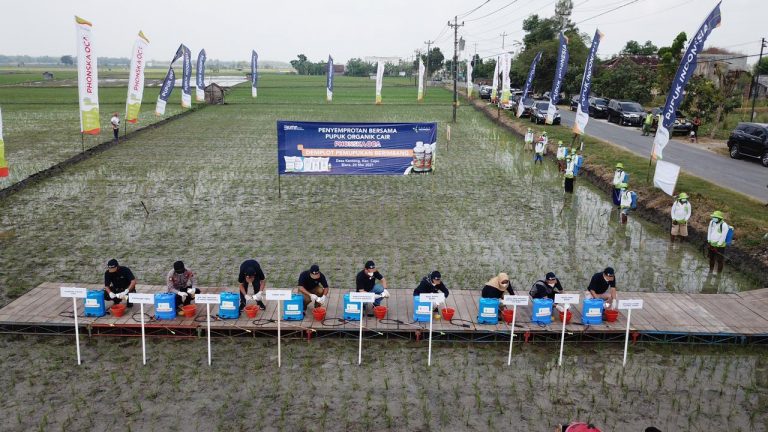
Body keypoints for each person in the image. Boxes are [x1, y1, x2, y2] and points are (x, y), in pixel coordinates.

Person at [707, 210, 730, 275]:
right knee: (711, 258)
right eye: (713, 217)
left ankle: (718, 274)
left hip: (720, 246)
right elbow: (709, 231)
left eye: (715, 217)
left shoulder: (724, 225)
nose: (714, 218)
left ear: (719, 218)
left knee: (719, 260)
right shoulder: (711, 222)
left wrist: (717, 246)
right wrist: (709, 241)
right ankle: (710, 270)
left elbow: (723, 237)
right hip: (712, 243)